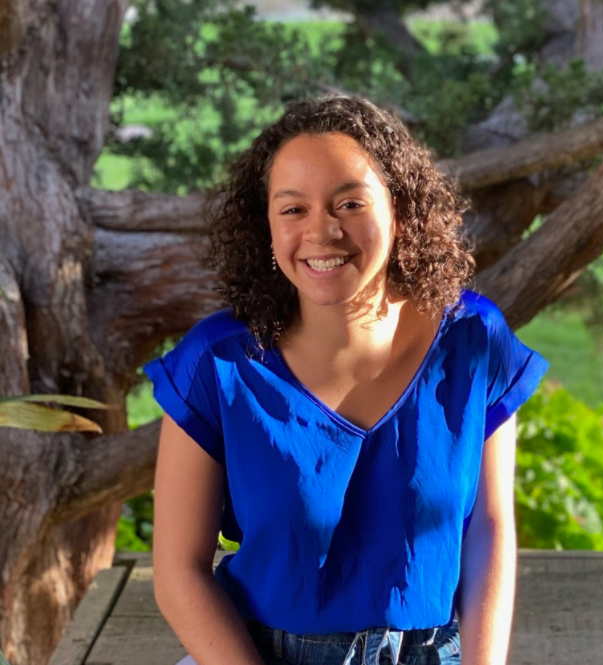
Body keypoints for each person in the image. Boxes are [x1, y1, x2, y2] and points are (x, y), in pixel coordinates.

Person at [144, 95, 549, 665]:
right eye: (292, 210)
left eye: (350, 203)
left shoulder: (473, 340)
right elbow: (179, 574)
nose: (322, 231)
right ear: (265, 227)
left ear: (400, 210)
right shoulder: (217, 363)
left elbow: (489, 529)